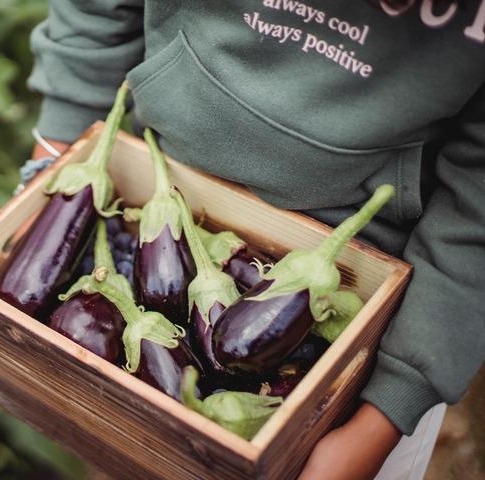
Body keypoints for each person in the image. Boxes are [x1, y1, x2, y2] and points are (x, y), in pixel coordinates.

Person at [25, 1, 485, 478]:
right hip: (151, 225)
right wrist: (52, 167)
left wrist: (383, 417)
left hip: (386, 322)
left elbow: (477, 217)